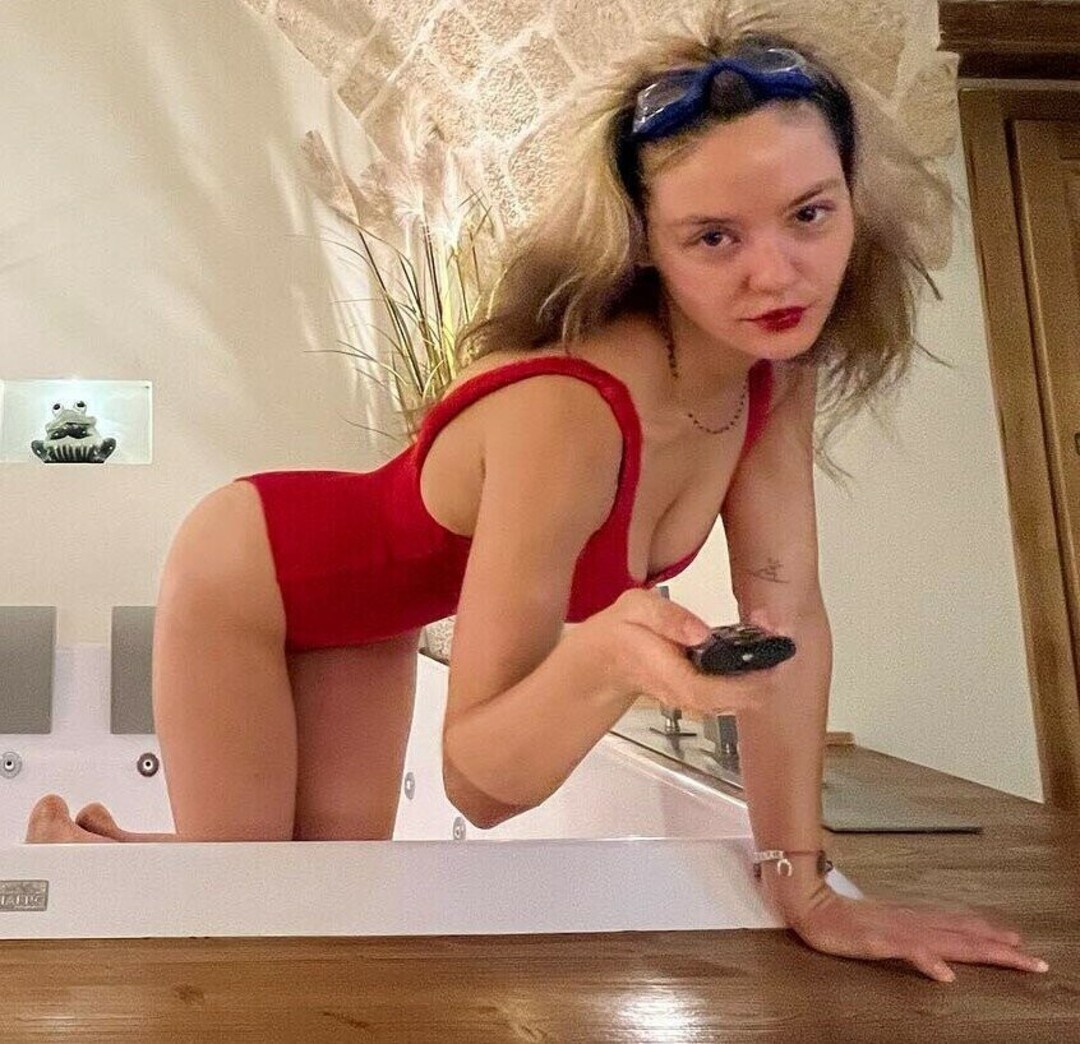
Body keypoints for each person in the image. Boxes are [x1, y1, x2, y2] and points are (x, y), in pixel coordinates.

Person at [27, 21, 1047, 984]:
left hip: (368, 608)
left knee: (319, 899)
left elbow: (789, 614)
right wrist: (606, 655)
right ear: (644, 243)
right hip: (250, 576)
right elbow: (475, 782)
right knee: (243, 900)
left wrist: (806, 887)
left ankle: (99, 844)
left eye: (809, 214)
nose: (776, 274)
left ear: (853, 200)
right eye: (713, 237)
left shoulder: (772, 376)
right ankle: (76, 855)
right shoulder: (568, 414)